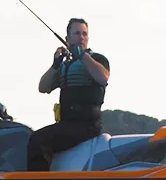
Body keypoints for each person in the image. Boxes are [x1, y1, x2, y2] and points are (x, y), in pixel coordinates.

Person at [26, 18, 110, 171]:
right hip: (67, 124)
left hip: (87, 125)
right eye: (77, 33)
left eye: (84, 34)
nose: (81, 37)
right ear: (67, 39)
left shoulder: (97, 59)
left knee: (38, 140)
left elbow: (103, 77)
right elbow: (43, 87)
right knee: (32, 136)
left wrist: (82, 55)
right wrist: (55, 65)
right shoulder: (66, 66)